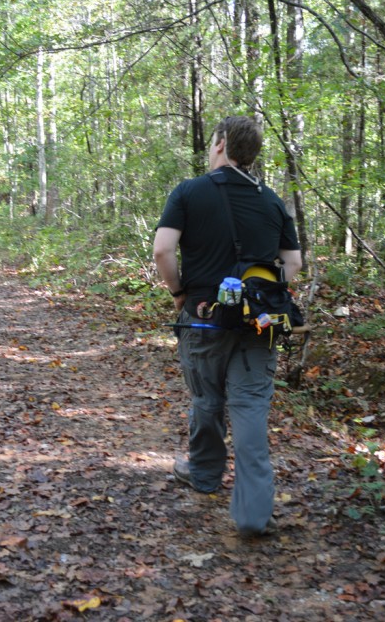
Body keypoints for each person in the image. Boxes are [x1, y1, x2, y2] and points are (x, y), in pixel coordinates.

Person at [153, 115, 302, 536]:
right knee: (251, 407)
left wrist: (178, 293)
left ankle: (203, 475)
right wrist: (263, 294)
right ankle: (254, 512)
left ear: (219, 144)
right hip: (260, 322)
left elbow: (163, 250)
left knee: (207, 397)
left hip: (203, 317)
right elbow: (293, 263)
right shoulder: (272, 200)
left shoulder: (189, 192)